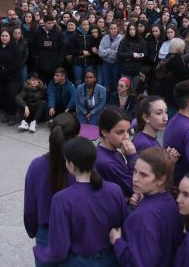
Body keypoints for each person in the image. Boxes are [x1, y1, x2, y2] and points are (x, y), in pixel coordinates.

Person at [33, 137, 125, 266]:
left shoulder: (62, 199)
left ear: (71, 165)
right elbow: (121, 227)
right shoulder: (115, 190)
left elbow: (59, 250)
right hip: (110, 259)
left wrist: (40, 252)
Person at [109, 147, 184, 267]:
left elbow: (139, 263)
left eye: (143, 175)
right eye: (135, 171)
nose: (135, 179)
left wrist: (117, 242)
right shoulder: (170, 200)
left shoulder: (143, 217)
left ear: (161, 180)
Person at [24, 113, 81, 265]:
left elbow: (30, 207)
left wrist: (32, 230)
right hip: (75, 233)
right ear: (76, 137)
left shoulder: (36, 165)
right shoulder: (81, 168)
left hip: (45, 233)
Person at [95, 106, 136, 198]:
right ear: (105, 132)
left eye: (128, 131)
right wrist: (132, 157)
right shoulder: (106, 163)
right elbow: (132, 188)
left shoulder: (112, 151)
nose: (126, 137)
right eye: (120, 132)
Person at [0, 30, 24, 126]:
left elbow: (17, 63)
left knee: (11, 95)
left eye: (6, 36)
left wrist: (6, 71)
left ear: (10, 37)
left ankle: (13, 115)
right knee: (1, 96)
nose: (4, 38)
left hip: (13, 78)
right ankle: (7, 114)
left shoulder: (14, 48)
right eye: (2, 36)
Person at [30, 15, 66, 85]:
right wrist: (36, 59)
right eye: (49, 23)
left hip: (54, 65)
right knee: (41, 84)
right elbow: (33, 48)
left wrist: (59, 61)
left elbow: (62, 49)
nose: (51, 25)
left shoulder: (58, 33)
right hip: (41, 64)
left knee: (52, 84)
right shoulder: (37, 33)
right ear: (44, 23)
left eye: (52, 23)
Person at [99, 22, 123, 93]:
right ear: (109, 29)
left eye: (114, 28)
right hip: (106, 63)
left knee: (115, 81)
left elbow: (117, 54)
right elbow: (100, 52)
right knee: (106, 82)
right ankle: (106, 98)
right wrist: (110, 51)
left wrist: (106, 51)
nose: (113, 30)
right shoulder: (104, 38)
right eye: (111, 28)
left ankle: (114, 98)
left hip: (116, 64)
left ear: (117, 29)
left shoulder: (121, 39)